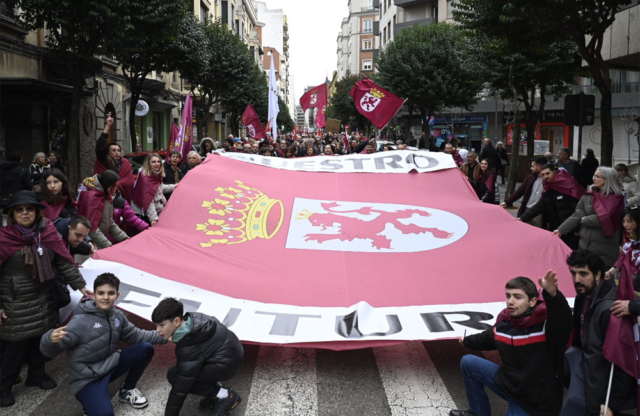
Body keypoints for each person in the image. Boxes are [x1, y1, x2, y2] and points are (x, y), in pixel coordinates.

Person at [0, 191, 92, 407]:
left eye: (29, 209)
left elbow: (64, 262)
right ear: (12, 214)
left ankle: (36, 376)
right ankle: (3, 386)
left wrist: (81, 285)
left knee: (40, 341)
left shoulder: (47, 232)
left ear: (36, 212)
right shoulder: (3, 238)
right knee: (16, 346)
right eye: (19, 210)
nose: (25, 213)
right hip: (14, 301)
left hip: (43, 297)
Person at [40, 273, 166, 416]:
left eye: (110, 293)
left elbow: (137, 335)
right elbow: (49, 352)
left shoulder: (117, 316)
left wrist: (166, 337)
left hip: (109, 364)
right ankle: (90, 404)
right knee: (105, 413)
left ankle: (127, 391)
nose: (105, 297)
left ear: (117, 295)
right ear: (94, 295)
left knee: (146, 348)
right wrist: (49, 339)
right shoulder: (79, 321)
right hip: (87, 378)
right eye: (101, 293)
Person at [451, 273, 572, 416]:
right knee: (468, 362)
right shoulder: (505, 325)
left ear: (532, 301)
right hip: (509, 385)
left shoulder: (546, 327)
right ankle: (478, 413)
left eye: (518, 297)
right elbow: (487, 338)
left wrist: (553, 295)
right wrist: (466, 340)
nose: (510, 301)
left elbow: (563, 319)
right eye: (508, 296)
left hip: (534, 404)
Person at [559, 250, 636, 416]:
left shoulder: (609, 309)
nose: (576, 280)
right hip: (584, 362)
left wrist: (611, 404)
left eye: (583, 274)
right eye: (573, 273)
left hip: (598, 376)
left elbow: (623, 362)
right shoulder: (583, 295)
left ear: (598, 274)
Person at [152, 298, 244, 416]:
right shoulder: (193, 320)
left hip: (227, 364)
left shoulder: (188, 346)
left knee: (175, 377)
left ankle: (226, 396)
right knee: (180, 372)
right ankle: (217, 394)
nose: (157, 330)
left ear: (176, 321)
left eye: (161, 325)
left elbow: (181, 387)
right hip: (231, 354)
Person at [555, 167, 625, 268]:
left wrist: (585, 220)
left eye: (597, 176)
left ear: (607, 179)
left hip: (604, 250)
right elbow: (577, 214)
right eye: (594, 175)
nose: (593, 178)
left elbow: (605, 219)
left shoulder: (615, 197)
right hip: (585, 248)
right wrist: (560, 230)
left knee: (604, 281)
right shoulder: (589, 195)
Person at [519, 165, 585, 249]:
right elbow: (539, 206)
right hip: (557, 228)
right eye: (543, 175)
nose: (545, 177)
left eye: (547, 173)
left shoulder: (568, 184)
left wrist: (577, 229)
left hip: (570, 229)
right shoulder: (549, 187)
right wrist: (522, 218)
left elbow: (578, 210)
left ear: (555, 172)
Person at [77, 170, 129, 250]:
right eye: (115, 186)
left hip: (99, 242)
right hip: (88, 245)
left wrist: (124, 237)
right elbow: (91, 227)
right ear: (108, 186)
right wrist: (108, 245)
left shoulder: (106, 196)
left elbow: (109, 222)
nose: (116, 189)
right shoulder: (92, 198)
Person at [94, 113, 134, 202]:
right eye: (114, 150)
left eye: (118, 150)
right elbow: (100, 147)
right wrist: (108, 126)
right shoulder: (104, 160)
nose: (117, 152)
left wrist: (118, 184)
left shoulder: (125, 163)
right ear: (107, 152)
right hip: (105, 196)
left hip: (122, 198)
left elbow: (129, 181)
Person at [131, 154, 176, 227]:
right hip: (146, 215)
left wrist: (174, 186)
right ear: (148, 164)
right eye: (153, 162)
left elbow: (159, 188)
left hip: (156, 211)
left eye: (158, 162)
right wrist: (153, 218)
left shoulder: (155, 175)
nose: (157, 164)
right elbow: (148, 201)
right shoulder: (146, 178)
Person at [501, 157, 547, 224]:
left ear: (539, 167)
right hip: (526, 209)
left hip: (539, 212)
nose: (531, 168)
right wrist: (506, 202)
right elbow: (519, 192)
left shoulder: (548, 181)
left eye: (533, 166)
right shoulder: (530, 178)